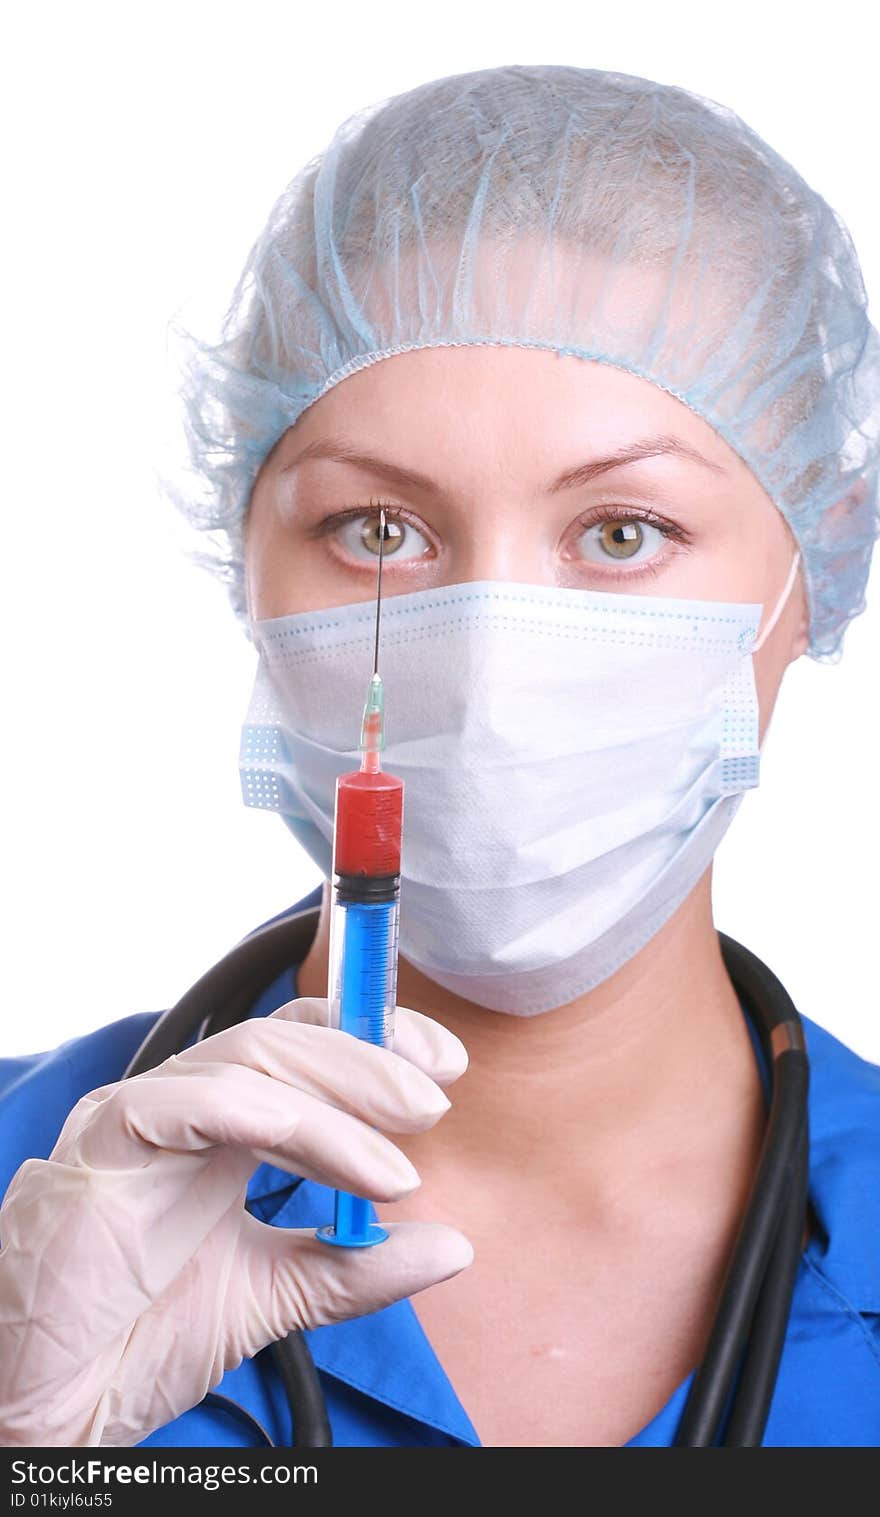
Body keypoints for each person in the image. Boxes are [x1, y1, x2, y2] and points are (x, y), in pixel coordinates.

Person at [1, 63, 879, 1450]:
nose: (485, 675)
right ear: (249, 560)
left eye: (622, 531)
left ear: (816, 575)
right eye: (379, 530)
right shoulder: (26, 1202)